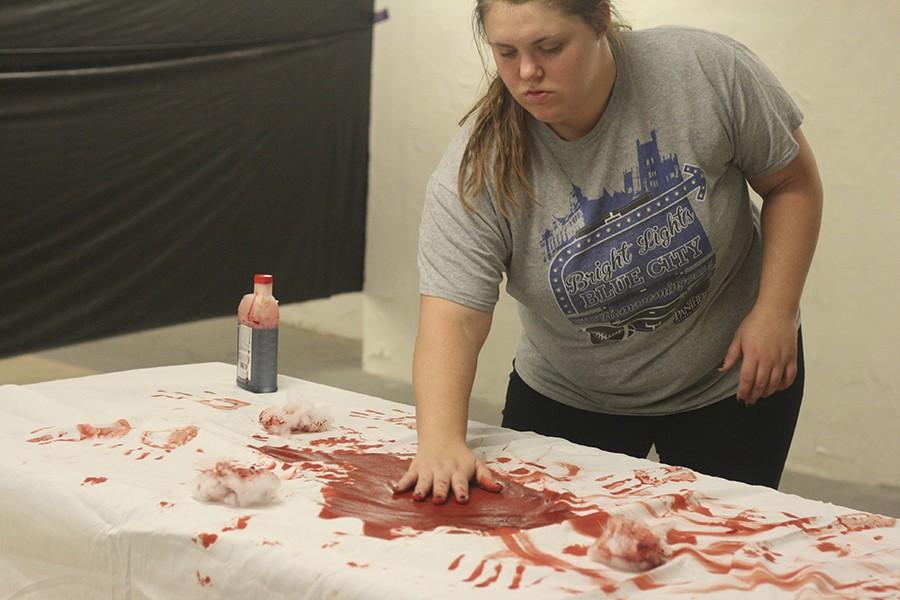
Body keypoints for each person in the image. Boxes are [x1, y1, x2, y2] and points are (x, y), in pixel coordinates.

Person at [395, 0, 823, 505]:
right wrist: (441, 440)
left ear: (600, 21)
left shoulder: (705, 72)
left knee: (717, 558)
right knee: (556, 560)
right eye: (506, 53)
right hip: (571, 394)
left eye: (549, 48)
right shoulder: (476, 170)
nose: (528, 72)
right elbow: (454, 317)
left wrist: (776, 310)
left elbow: (791, 184)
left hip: (731, 380)